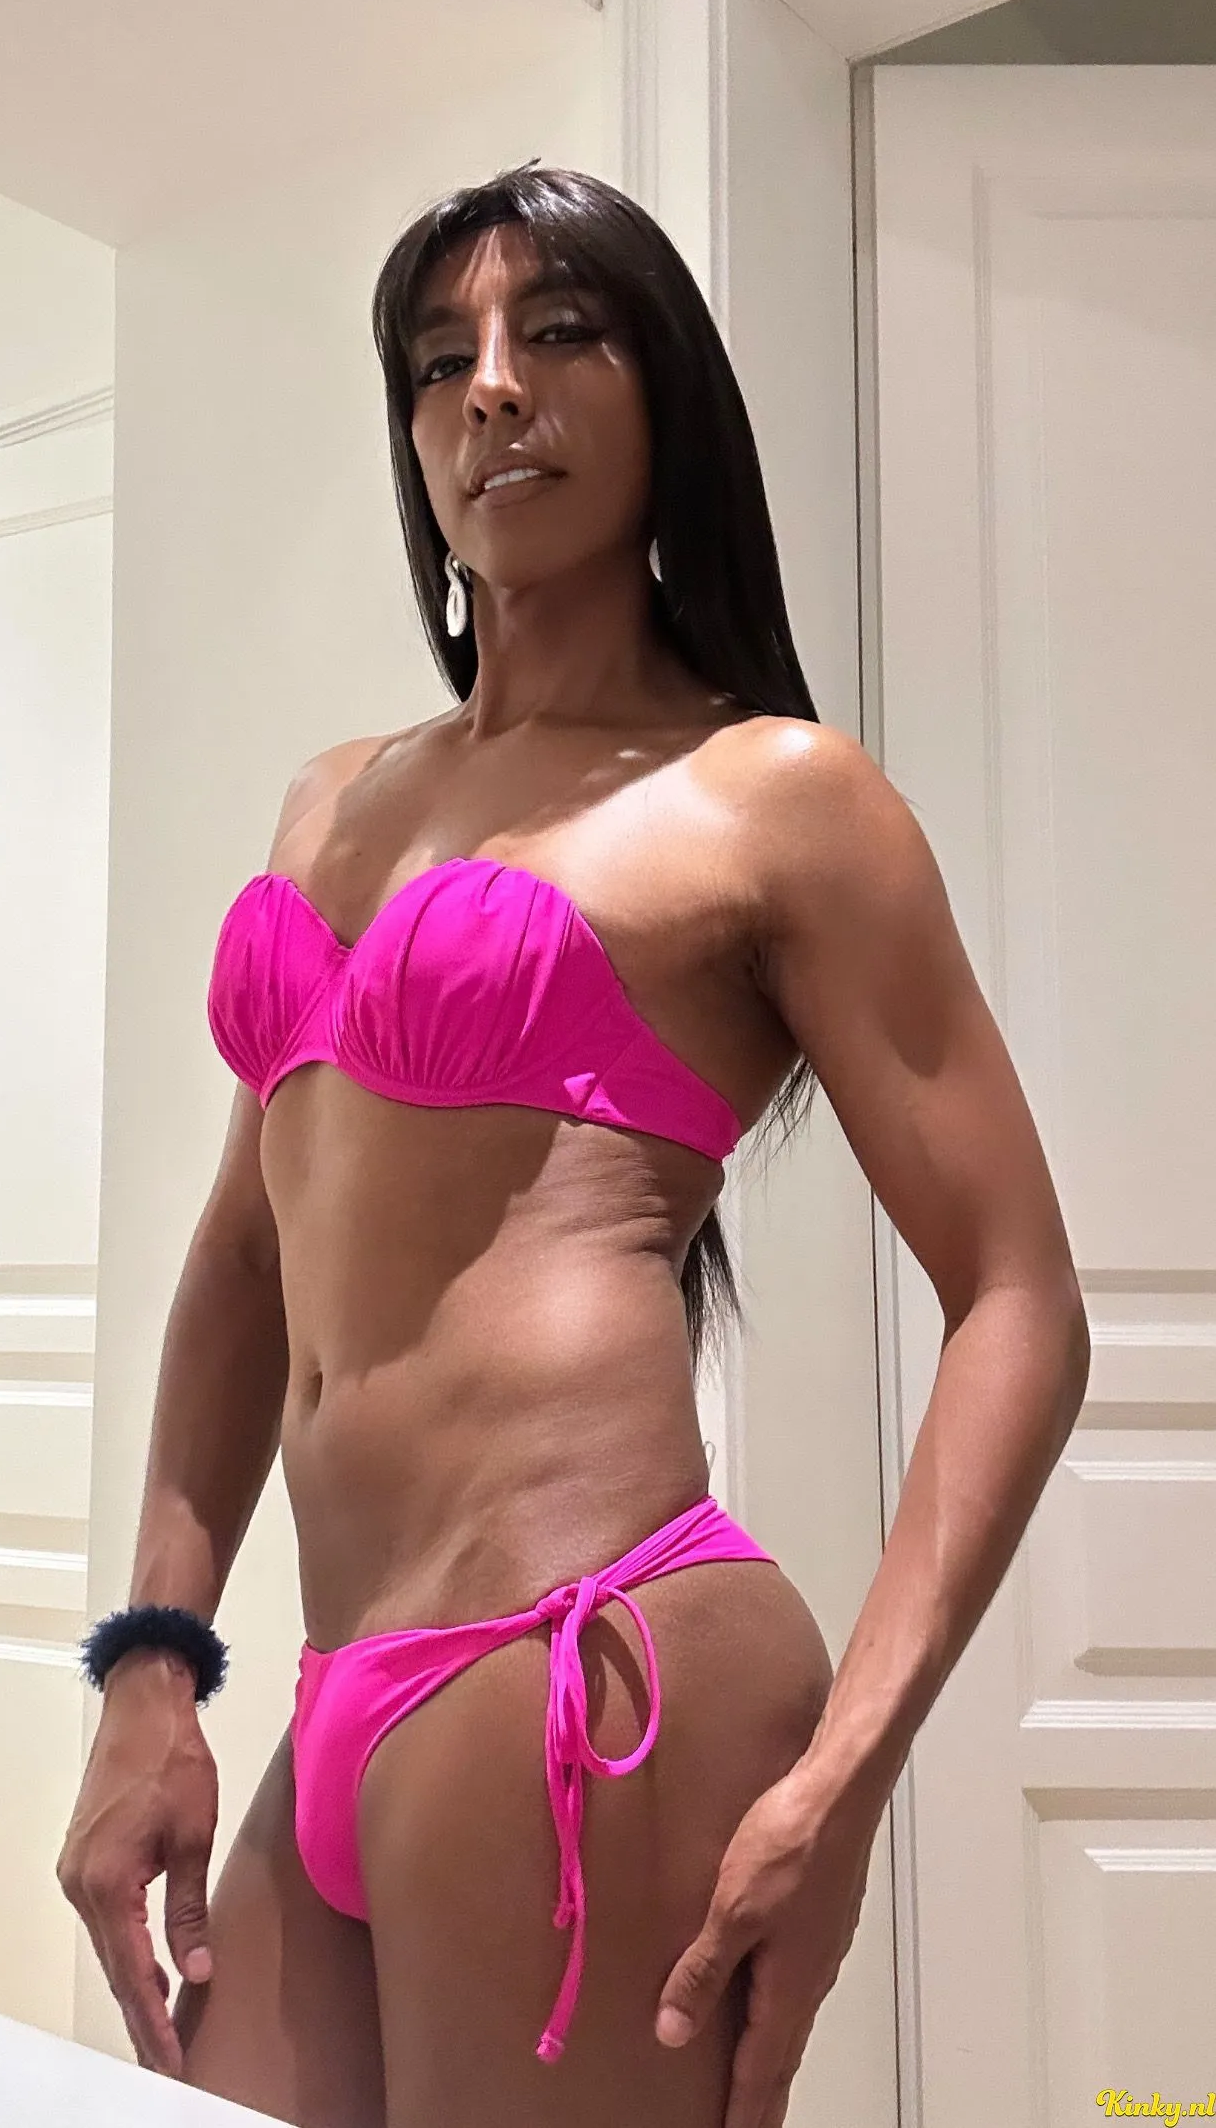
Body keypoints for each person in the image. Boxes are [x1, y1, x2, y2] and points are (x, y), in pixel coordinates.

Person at [56, 162, 1090, 2128]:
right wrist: (150, 1666)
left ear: (665, 391)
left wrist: (848, 1777)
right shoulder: (330, 801)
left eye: (557, 332)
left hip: (586, 1662)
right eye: (436, 358)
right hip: (337, 1688)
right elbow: (247, 1262)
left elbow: (1019, 1299)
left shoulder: (773, 799)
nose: (491, 389)